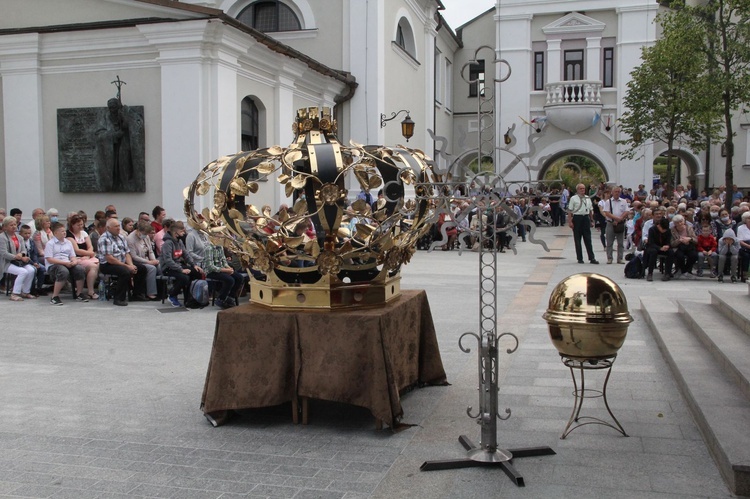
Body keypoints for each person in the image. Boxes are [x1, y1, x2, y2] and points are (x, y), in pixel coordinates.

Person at [98, 218, 147, 306]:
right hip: (108, 264)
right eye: (115, 226)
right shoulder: (104, 239)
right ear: (108, 228)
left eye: (118, 226)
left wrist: (131, 265)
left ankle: (137, 294)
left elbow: (127, 253)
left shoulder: (121, 237)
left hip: (122, 261)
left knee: (142, 268)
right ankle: (119, 298)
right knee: (124, 272)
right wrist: (127, 266)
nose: (118, 228)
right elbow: (109, 258)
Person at [159, 221, 203, 307]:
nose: (184, 233)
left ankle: (189, 297)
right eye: (182, 231)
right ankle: (172, 295)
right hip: (168, 268)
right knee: (185, 278)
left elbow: (186, 254)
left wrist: (194, 265)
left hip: (177, 265)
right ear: (176, 233)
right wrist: (181, 270)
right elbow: (168, 261)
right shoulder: (168, 243)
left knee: (196, 272)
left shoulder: (179, 242)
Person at [44, 222, 88, 305]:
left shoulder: (68, 242)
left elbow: (72, 256)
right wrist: (64, 263)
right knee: (63, 271)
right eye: (62, 231)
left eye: (64, 231)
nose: (64, 233)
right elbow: (49, 259)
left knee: (80, 269)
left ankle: (79, 294)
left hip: (67, 263)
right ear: (55, 233)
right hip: (54, 265)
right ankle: (55, 296)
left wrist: (74, 261)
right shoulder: (50, 244)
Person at [0, 216, 37, 301]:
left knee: (31, 270)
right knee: (22, 271)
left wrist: (22, 255)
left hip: (18, 261)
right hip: (6, 262)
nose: (14, 226)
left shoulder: (19, 237)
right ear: (5, 227)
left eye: (15, 224)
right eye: (11, 225)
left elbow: (24, 250)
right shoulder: (2, 237)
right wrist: (16, 257)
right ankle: (15, 293)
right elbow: (3, 253)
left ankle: (25, 291)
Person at [66, 215, 100, 299]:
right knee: (93, 266)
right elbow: (76, 250)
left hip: (88, 256)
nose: (80, 226)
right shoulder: (69, 235)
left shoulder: (84, 233)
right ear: (72, 225)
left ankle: (90, 286)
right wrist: (88, 254)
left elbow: (90, 246)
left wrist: (89, 254)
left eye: (81, 224)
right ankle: (90, 291)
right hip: (76, 258)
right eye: (78, 225)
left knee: (98, 264)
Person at [203, 240, 244, 309]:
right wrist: (225, 270)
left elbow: (224, 261)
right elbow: (210, 266)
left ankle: (230, 297)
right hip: (211, 271)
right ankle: (221, 299)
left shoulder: (220, 247)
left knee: (239, 277)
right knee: (230, 280)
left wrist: (229, 268)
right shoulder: (209, 248)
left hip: (221, 269)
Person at [566, 183, 599, 264]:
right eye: (580, 188)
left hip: (585, 218)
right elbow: (570, 211)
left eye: (583, 188)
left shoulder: (587, 198)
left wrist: (591, 220)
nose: (582, 190)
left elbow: (590, 210)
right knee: (577, 239)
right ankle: (580, 258)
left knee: (588, 239)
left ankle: (592, 258)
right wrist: (570, 221)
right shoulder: (574, 198)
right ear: (577, 190)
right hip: (577, 218)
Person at [126, 221, 159, 300]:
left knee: (159, 266)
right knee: (152, 269)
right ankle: (151, 293)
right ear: (138, 230)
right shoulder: (130, 239)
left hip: (147, 258)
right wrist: (149, 262)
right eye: (144, 233)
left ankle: (161, 291)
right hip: (137, 261)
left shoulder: (146, 237)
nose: (145, 235)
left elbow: (150, 250)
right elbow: (134, 256)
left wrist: (153, 260)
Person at [601, 186, 630, 264]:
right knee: (609, 242)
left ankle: (620, 258)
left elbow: (626, 211)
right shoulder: (608, 202)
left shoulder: (623, 201)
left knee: (620, 242)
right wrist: (615, 218)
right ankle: (609, 258)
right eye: (615, 192)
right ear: (612, 193)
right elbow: (607, 212)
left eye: (618, 192)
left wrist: (620, 218)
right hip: (611, 223)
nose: (617, 193)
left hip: (620, 224)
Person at [18, 224, 47, 296]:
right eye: (25, 233)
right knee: (33, 270)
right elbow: (23, 255)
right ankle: (32, 289)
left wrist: (36, 262)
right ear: (20, 233)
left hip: (32, 261)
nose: (27, 235)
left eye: (29, 233)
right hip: (23, 261)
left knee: (42, 268)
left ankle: (39, 287)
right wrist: (32, 263)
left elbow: (34, 253)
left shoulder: (31, 241)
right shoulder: (19, 242)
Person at [645, 218, 674, 282]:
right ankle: (650, 273)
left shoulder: (668, 231)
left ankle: (667, 273)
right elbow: (651, 243)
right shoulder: (652, 230)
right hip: (653, 247)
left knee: (671, 252)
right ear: (659, 226)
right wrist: (659, 248)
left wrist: (667, 246)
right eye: (663, 229)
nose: (664, 231)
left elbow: (669, 242)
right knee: (653, 252)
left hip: (664, 247)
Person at [670, 214, 698, 279]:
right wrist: (679, 240)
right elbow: (672, 243)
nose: (680, 223)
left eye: (681, 221)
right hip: (678, 247)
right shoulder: (672, 230)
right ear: (674, 223)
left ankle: (685, 271)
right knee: (680, 256)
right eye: (677, 222)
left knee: (694, 256)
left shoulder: (689, 228)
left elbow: (696, 240)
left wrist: (689, 239)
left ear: (684, 221)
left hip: (689, 246)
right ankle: (684, 271)